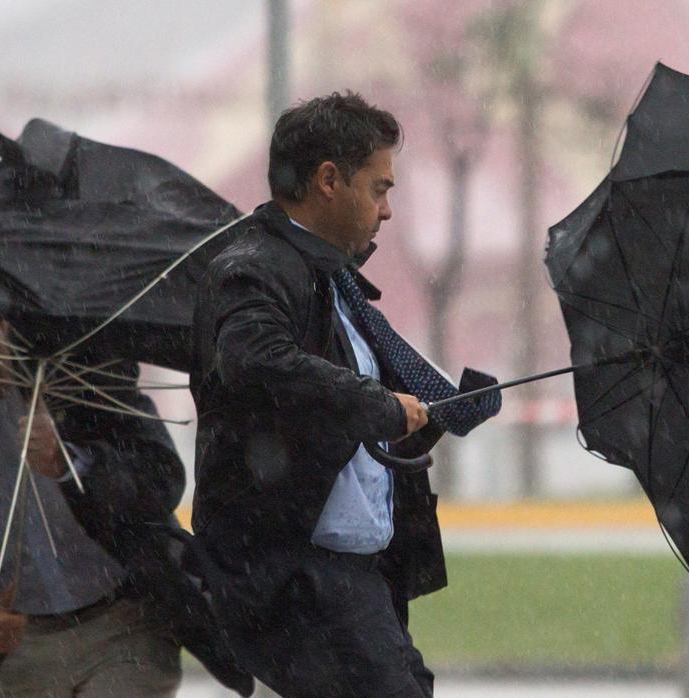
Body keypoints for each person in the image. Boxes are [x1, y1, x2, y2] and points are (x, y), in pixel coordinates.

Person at [191, 92, 496, 697]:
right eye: (379, 189)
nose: (387, 211)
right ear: (329, 180)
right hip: (297, 579)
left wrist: (417, 419)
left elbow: (330, 408)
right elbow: (256, 361)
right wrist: (378, 405)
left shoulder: (327, 277)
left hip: (352, 579)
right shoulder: (255, 266)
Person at [0, 287, 249, 697]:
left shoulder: (80, 362)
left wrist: (70, 464)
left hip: (123, 621)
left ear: (3, 323)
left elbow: (160, 478)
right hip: (5, 642)